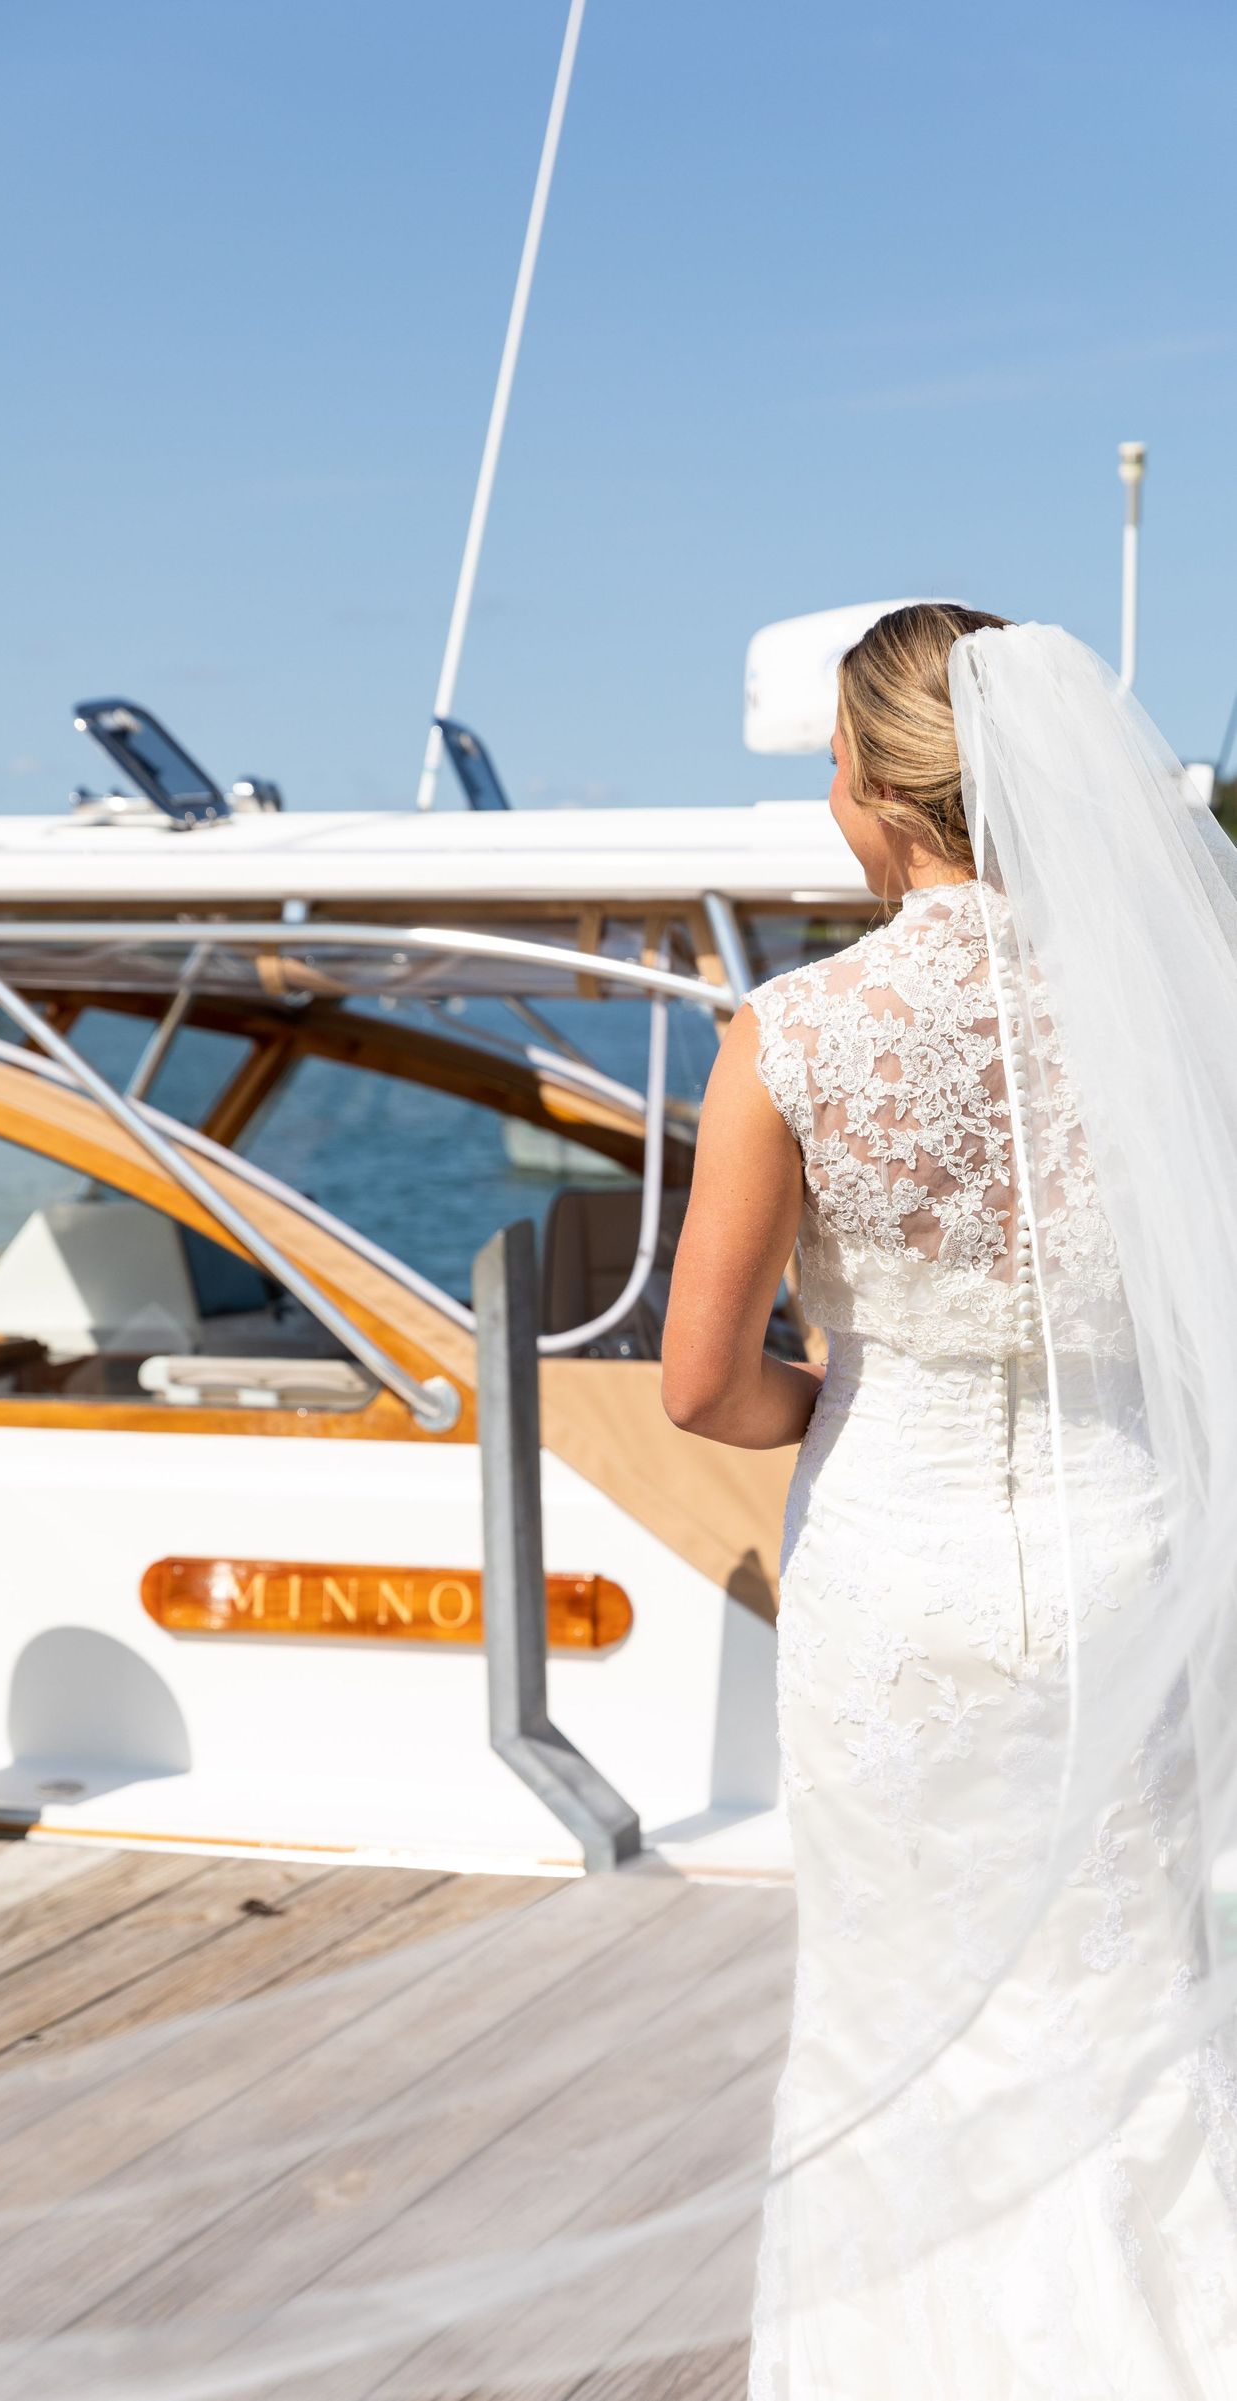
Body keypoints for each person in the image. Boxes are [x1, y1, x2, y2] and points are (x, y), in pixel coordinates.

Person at [663, 605, 1237, 2396]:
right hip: (1127, 1547)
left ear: (882, 796)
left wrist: (833, 1396)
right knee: (1136, 1987)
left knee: (897, 2002)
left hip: (897, 1565)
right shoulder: (1175, 1009)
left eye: (839, 762)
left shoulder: (794, 1034)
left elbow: (701, 1382)